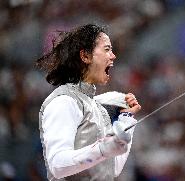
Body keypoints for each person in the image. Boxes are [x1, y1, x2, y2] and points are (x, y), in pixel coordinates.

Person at [36, 24, 141, 181]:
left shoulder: (95, 107)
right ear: (85, 56)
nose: (113, 56)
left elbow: (111, 171)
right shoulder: (64, 101)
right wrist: (103, 148)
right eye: (107, 49)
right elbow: (57, 165)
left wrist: (126, 119)